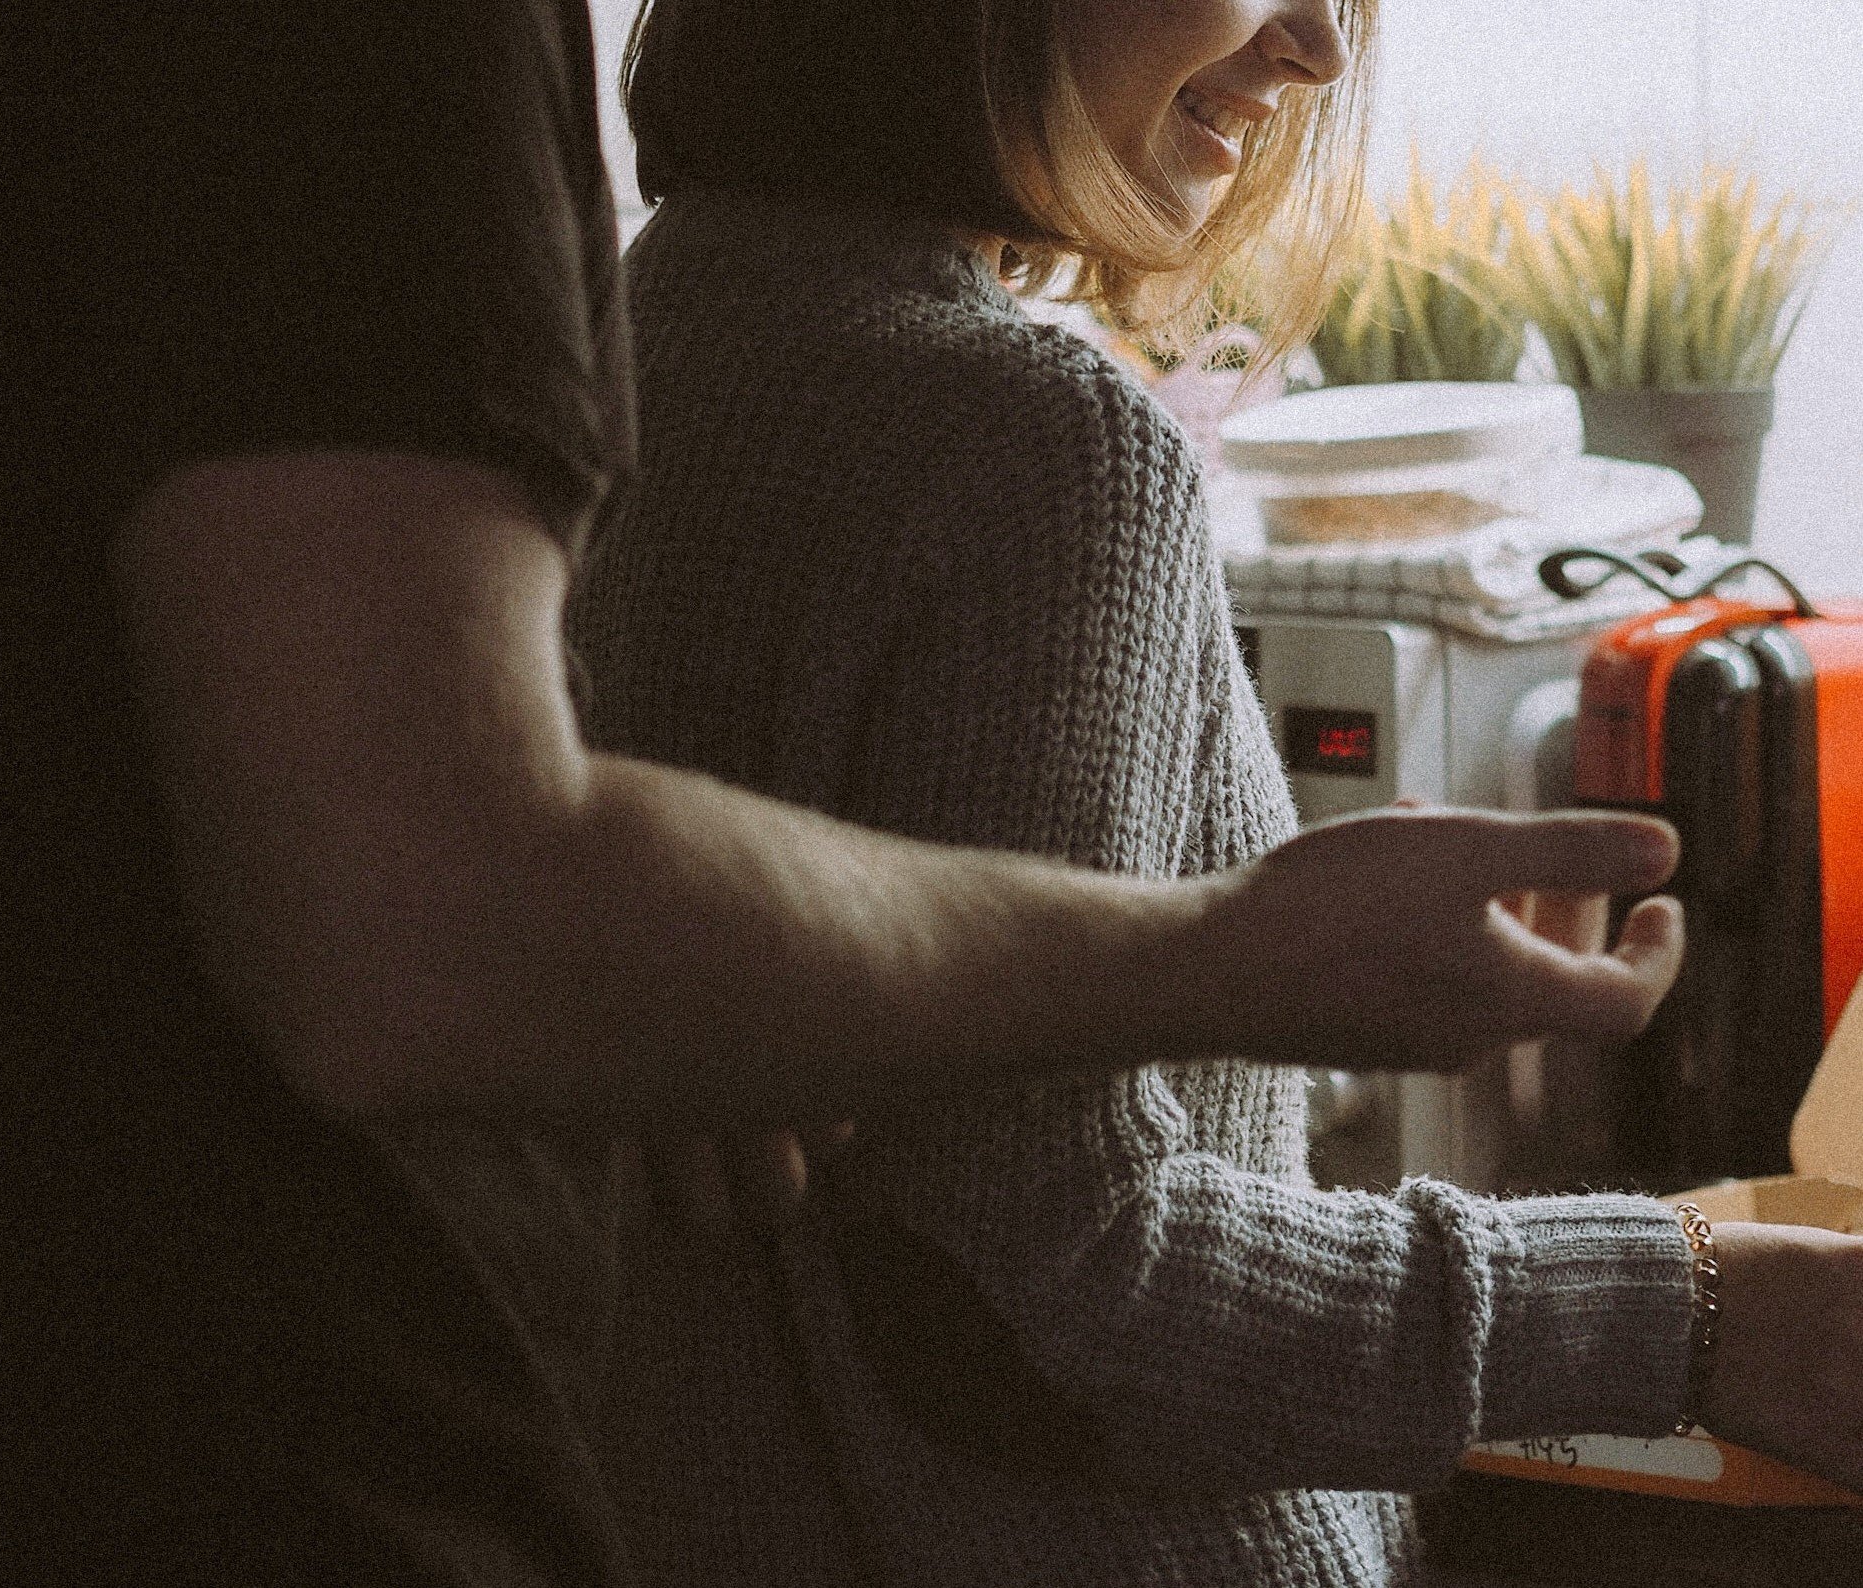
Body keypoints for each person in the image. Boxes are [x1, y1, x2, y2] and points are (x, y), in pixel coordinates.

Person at [564, 0, 1863, 1581]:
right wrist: (1705, 1310)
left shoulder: (606, 364)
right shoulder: (1033, 445)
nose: (1316, 47)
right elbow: (1047, 1298)